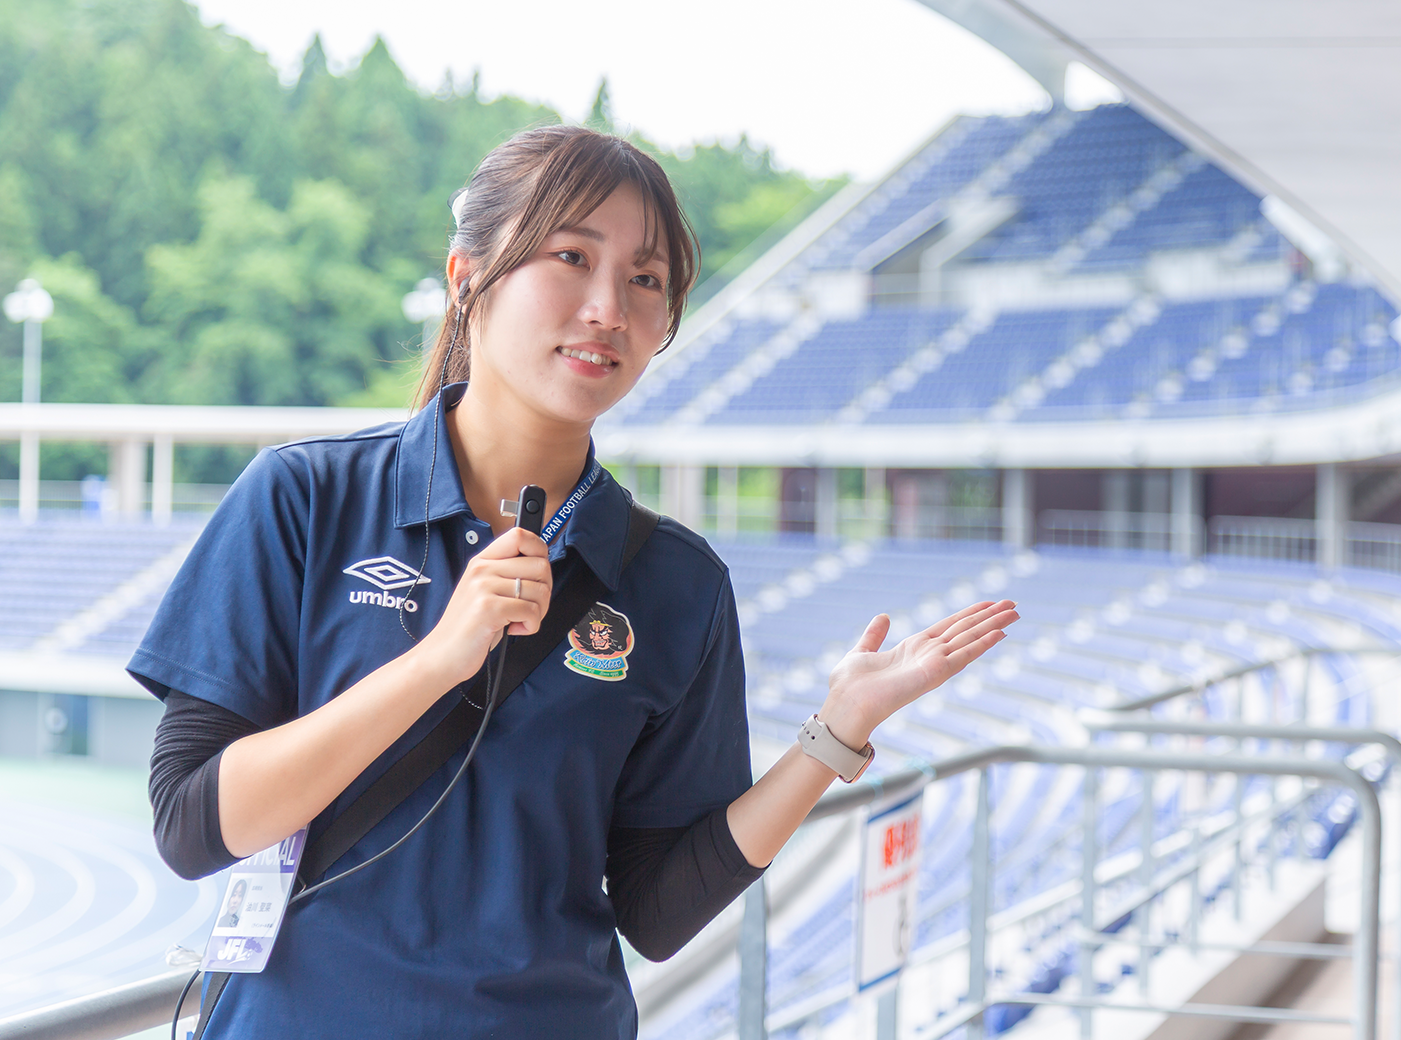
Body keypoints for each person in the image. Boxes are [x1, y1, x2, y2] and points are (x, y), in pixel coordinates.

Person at [138, 125, 1018, 1038]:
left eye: (646, 280)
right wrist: (443, 656)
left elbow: (657, 911)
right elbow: (194, 826)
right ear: (465, 276)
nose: (610, 308)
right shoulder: (306, 499)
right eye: (571, 256)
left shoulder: (677, 583)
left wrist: (835, 736)